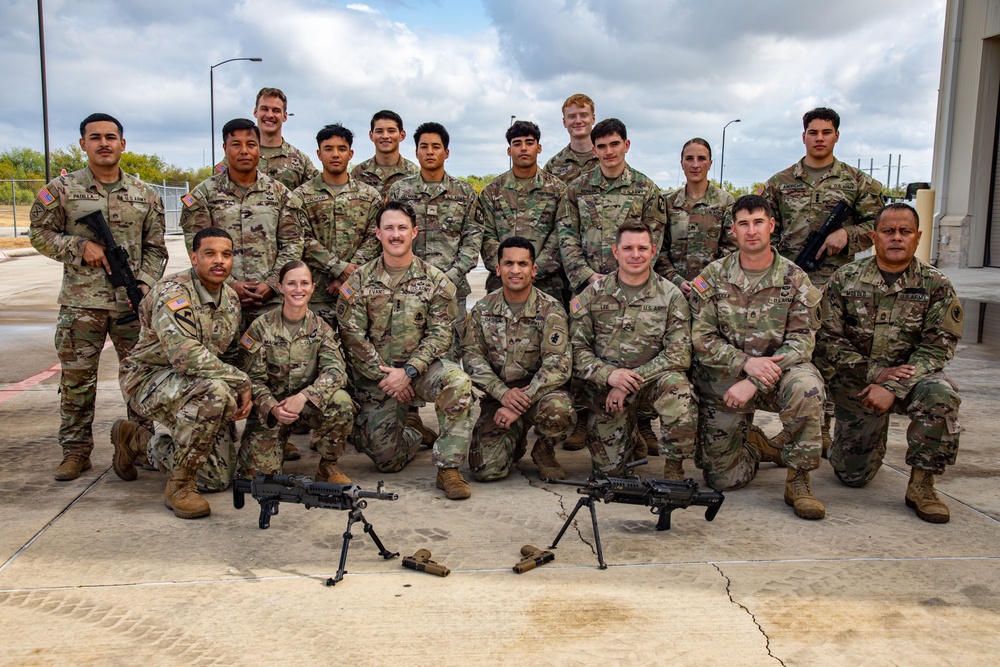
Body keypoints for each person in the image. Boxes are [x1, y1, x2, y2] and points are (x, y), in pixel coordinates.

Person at [29, 112, 168, 481]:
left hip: (130, 305)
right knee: (77, 382)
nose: (103, 143)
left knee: (140, 379)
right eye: (95, 137)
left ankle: (139, 444)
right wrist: (78, 246)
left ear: (123, 144)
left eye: (111, 137)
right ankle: (75, 452)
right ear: (82, 144)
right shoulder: (62, 189)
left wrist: (145, 284)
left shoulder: (145, 194)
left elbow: (157, 249)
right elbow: (39, 233)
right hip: (81, 304)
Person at [816, 203, 964, 523]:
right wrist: (876, 373)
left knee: (942, 392)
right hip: (857, 383)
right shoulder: (846, 279)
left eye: (905, 231)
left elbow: (938, 348)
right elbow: (827, 340)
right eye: (888, 231)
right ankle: (867, 442)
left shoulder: (936, 285)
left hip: (911, 381)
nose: (897, 238)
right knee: (852, 477)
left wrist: (893, 385)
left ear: (917, 236)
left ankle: (922, 484)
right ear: (873, 236)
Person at [689, 195, 826, 520]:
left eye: (758, 222)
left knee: (806, 387)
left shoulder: (794, 278)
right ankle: (754, 445)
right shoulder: (714, 275)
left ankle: (799, 478)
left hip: (780, 374)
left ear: (771, 226)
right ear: (733, 230)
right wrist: (745, 365)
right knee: (722, 478)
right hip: (727, 378)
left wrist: (754, 379)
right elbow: (701, 337)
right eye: (744, 224)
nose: (752, 231)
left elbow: (801, 342)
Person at [760, 107, 886, 454]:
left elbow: (880, 224)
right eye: (812, 132)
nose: (819, 139)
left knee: (828, 350)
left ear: (836, 136)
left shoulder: (856, 182)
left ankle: (823, 428)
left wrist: (849, 234)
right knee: (787, 351)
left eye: (826, 132)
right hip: (789, 280)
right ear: (803, 136)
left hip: (836, 283)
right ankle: (793, 427)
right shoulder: (780, 182)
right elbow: (764, 229)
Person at [180, 118, 303, 460]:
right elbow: (199, 247)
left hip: (267, 300)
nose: (245, 151)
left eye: (251, 144)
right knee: (217, 365)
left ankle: (273, 433)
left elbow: (293, 243)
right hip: (218, 301)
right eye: (236, 144)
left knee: (273, 366)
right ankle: (218, 434)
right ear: (225, 148)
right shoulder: (203, 195)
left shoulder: (280, 195)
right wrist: (230, 284)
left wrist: (272, 282)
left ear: (259, 149)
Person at [337, 201, 475, 500]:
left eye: (402, 228)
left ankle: (448, 469)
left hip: (422, 370)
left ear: (414, 232)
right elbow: (353, 337)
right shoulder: (358, 281)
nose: (395, 234)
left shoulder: (436, 280)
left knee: (458, 381)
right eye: (389, 228)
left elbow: (440, 335)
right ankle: (414, 433)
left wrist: (410, 371)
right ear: (377, 233)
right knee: (387, 461)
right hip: (378, 376)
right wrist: (388, 377)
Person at [111, 227, 251, 519]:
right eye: (209, 253)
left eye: (226, 255)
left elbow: (225, 355)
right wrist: (240, 381)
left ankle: (137, 441)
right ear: (194, 257)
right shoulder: (173, 292)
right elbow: (184, 354)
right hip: (148, 378)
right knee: (216, 393)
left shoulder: (230, 298)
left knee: (216, 478)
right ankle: (180, 485)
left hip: (195, 383)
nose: (219, 261)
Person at [557, 117, 666, 453]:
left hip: (635, 287)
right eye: (601, 146)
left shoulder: (646, 190)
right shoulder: (577, 189)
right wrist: (588, 278)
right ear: (594, 148)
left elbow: (655, 240)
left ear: (626, 145)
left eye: (614, 144)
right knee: (587, 350)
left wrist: (628, 275)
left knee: (639, 348)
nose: (608, 151)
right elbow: (566, 236)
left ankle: (642, 421)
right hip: (589, 287)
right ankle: (583, 418)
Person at [569, 220, 696, 477]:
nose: (635, 255)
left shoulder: (671, 296)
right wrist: (609, 376)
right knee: (609, 473)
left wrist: (630, 381)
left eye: (642, 248)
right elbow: (576, 349)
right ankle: (630, 434)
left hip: (651, 385)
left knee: (678, 387)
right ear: (616, 252)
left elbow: (679, 354)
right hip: (606, 389)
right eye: (628, 248)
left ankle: (674, 468)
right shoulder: (593, 293)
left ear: (653, 251)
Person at [463, 236, 574, 481]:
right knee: (486, 471)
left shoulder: (551, 309)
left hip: (539, 394)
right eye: (509, 263)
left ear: (533, 270)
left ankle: (544, 449)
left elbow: (558, 365)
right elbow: (472, 358)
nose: (515, 270)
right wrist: (501, 393)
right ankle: (516, 436)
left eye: (522, 264)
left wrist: (523, 398)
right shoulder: (483, 310)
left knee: (559, 411)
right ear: (498, 268)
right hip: (499, 395)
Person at [239, 261, 356, 483]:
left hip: (308, 407)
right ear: (280, 287)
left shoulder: (322, 328)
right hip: (272, 412)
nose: (298, 289)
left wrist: (304, 397)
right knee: (257, 479)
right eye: (291, 283)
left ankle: (328, 465)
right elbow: (250, 379)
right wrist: (272, 407)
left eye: (304, 283)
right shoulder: (260, 327)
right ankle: (277, 445)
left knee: (341, 400)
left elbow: (336, 372)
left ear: (313, 287)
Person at [386, 121, 482, 325]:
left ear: (446, 152)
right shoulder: (399, 191)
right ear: (416, 152)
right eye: (424, 147)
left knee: (449, 352)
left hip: (451, 289)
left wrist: (451, 276)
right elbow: (388, 238)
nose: (430, 152)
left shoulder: (464, 193)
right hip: (406, 287)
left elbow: (472, 241)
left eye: (436, 147)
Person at [295, 123, 381, 326]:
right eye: (328, 149)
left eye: (341, 149)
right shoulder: (300, 196)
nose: (335, 154)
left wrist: (348, 276)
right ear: (318, 153)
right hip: (315, 294)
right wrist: (337, 268)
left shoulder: (369, 196)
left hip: (360, 291)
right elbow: (300, 239)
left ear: (350, 154)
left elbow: (374, 239)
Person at [478, 121, 567, 303]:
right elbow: (485, 236)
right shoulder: (493, 191)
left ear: (539, 147)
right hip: (501, 286)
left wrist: (536, 268)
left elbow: (562, 234)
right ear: (509, 150)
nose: (523, 148)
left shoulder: (558, 190)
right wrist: (507, 268)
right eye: (517, 144)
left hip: (547, 286)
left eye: (529, 142)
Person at [661, 138, 736, 297]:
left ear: (710, 163)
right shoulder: (668, 203)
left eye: (701, 158)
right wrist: (676, 280)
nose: (695, 165)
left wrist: (704, 283)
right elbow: (659, 248)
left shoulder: (725, 202)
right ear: (682, 164)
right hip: (672, 292)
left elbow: (731, 250)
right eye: (689, 159)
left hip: (713, 292)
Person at [250, 87, 319, 190]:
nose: (269, 115)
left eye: (276, 110)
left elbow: (318, 193)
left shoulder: (301, 161)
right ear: (255, 112)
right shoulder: (239, 155)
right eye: (264, 109)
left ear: (285, 116)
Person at [350, 110, 420, 197]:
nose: (385, 136)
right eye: (379, 131)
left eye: (391, 131)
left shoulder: (415, 173)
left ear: (402, 135)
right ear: (371, 135)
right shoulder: (358, 173)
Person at [543, 93, 599, 184]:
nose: (578, 121)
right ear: (564, 122)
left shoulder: (606, 158)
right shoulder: (552, 166)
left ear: (593, 119)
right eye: (572, 116)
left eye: (583, 115)